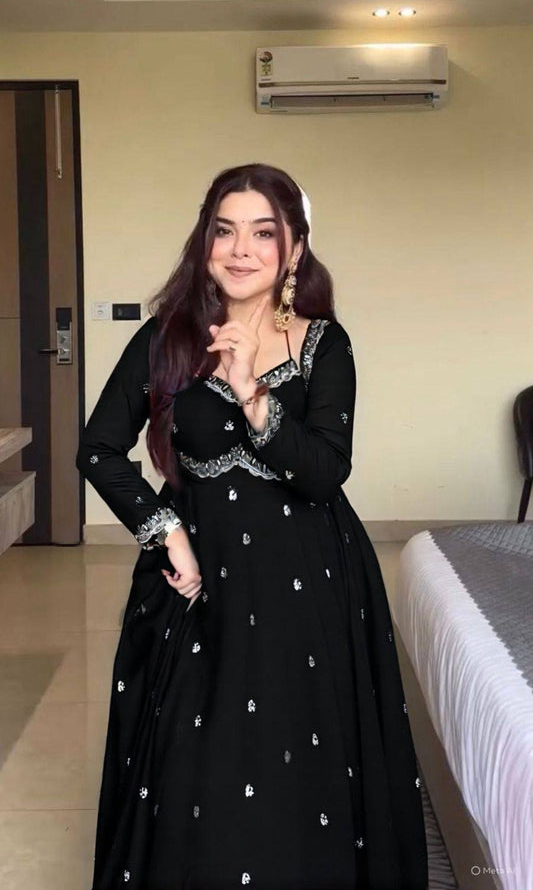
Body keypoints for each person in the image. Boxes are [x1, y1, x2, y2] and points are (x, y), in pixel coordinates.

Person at [77, 162, 428, 890]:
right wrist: (166, 532)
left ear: (294, 248)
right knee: (197, 753)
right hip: (198, 585)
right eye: (224, 230)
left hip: (310, 583)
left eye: (263, 233)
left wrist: (254, 397)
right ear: (204, 241)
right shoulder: (167, 340)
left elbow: (325, 472)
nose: (241, 249)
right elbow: (98, 449)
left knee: (303, 753)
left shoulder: (323, 343)